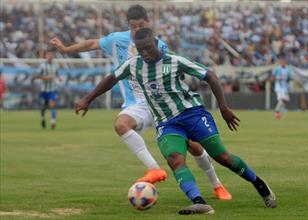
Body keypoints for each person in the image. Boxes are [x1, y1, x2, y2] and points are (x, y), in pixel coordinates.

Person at [75, 28, 277, 214]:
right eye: (140, 49)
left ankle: (260, 184)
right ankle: (199, 201)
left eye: (148, 48)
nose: (144, 52)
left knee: (223, 157)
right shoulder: (133, 64)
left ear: (155, 43)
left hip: (193, 114)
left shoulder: (175, 61)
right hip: (167, 122)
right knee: (175, 159)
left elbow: (211, 76)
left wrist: (223, 107)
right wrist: (87, 99)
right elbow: (111, 78)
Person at [50, 5, 231, 200]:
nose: (136, 29)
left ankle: (217, 185)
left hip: (163, 104)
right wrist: (65, 49)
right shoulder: (116, 40)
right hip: (137, 104)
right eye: (133, 26)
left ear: (148, 24)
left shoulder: (158, 45)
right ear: (128, 26)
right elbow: (90, 44)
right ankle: (154, 169)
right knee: (121, 124)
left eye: (141, 25)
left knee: (194, 146)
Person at [34, 51, 61, 129]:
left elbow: (57, 74)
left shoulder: (56, 65)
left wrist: (59, 78)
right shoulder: (42, 66)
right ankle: (42, 118)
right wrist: (45, 78)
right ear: (46, 56)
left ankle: (53, 121)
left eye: (51, 54)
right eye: (48, 55)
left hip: (53, 88)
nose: (50, 56)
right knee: (44, 106)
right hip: (44, 89)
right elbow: (36, 76)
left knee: (52, 104)